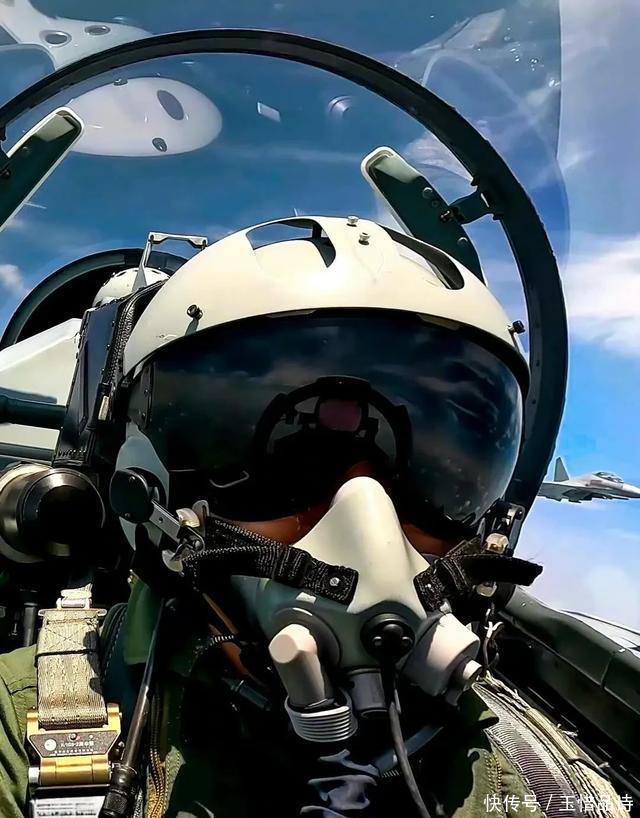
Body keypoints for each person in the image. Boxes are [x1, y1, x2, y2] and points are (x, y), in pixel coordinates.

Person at [0, 216, 624, 818]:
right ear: (148, 490)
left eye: (425, 481)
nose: (369, 528)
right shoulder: (28, 719)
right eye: (292, 472)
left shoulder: (549, 778)